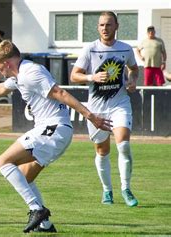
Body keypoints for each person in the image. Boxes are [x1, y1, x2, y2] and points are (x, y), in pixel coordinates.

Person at [0, 40, 111, 233]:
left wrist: (91, 116)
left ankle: (36, 209)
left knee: (3, 162)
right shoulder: (19, 74)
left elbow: (60, 92)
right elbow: (0, 89)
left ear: (7, 63)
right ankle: (46, 225)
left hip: (53, 129)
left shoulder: (30, 73)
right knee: (25, 176)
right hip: (52, 129)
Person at [70, 11, 140, 207]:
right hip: (97, 108)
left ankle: (126, 189)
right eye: (101, 25)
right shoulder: (90, 49)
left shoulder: (125, 49)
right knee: (102, 151)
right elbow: (74, 76)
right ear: (98, 28)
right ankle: (107, 191)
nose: (105, 28)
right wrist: (91, 77)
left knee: (123, 144)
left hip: (120, 104)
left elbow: (134, 69)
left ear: (116, 26)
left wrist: (133, 81)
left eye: (109, 25)